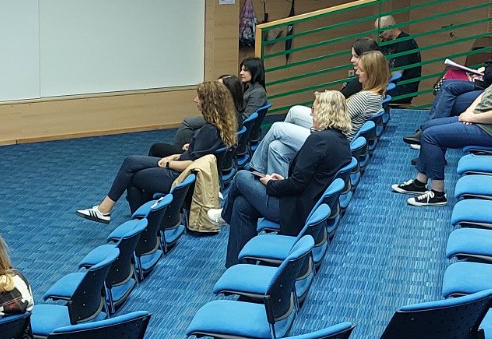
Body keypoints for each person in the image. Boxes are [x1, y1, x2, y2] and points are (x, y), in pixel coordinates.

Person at [394, 26, 492, 207]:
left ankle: (437, 193)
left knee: (430, 136)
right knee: (428, 127)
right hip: (483, 119)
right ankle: (420, 183)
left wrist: (473, 118)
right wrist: (470, 111)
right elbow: (488, 92)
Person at [224, 89, 355, 265]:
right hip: (307, 205)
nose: (311, 114)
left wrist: (271, 184)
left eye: (314, 109)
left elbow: (297, 185)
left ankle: (224, 216)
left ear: (325, 111)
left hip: (294, 210)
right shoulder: (342, 142)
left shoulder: (318, 140)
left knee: (241, 176)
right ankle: (237, 265)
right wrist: (282, 181)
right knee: (241, 205)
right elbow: (307, 180)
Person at [78, 79, 237, 224]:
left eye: (199, 97)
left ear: (208, 102)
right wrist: (175, 156)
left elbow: (192, 163)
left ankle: (128, 218)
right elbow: (197, 155)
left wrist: (168, 163)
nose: (195, 100)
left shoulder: (209, 130)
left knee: (131, 174)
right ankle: (130, 216)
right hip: (182, 170)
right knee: (131, 163)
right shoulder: (217, 126)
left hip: (180, 176)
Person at [251, 50, 387, 177]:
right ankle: (282, 180)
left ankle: (257, 168)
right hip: (335, 137)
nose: (356, 72)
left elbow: (337, 121)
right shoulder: (375, 95)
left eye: (361, 70)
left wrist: (318, 116)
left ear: (371, 73)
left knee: (277, 128)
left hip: (331, 141)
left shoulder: (364, 97)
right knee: (278, 144)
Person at [405, 6, 492, 146]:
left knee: (451, 97)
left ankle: (428, 132)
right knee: (447, 84)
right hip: (486, 84)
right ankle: (428, 130)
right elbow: (491, 70)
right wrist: (487, 65)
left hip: (491, 90)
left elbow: (490, 77)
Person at [375, 15, 423, 105]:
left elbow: (396, 75)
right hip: (389, 86)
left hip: (403, 89)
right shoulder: (385, 42)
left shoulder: (405, 43)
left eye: (381, 32)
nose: (379, 35)